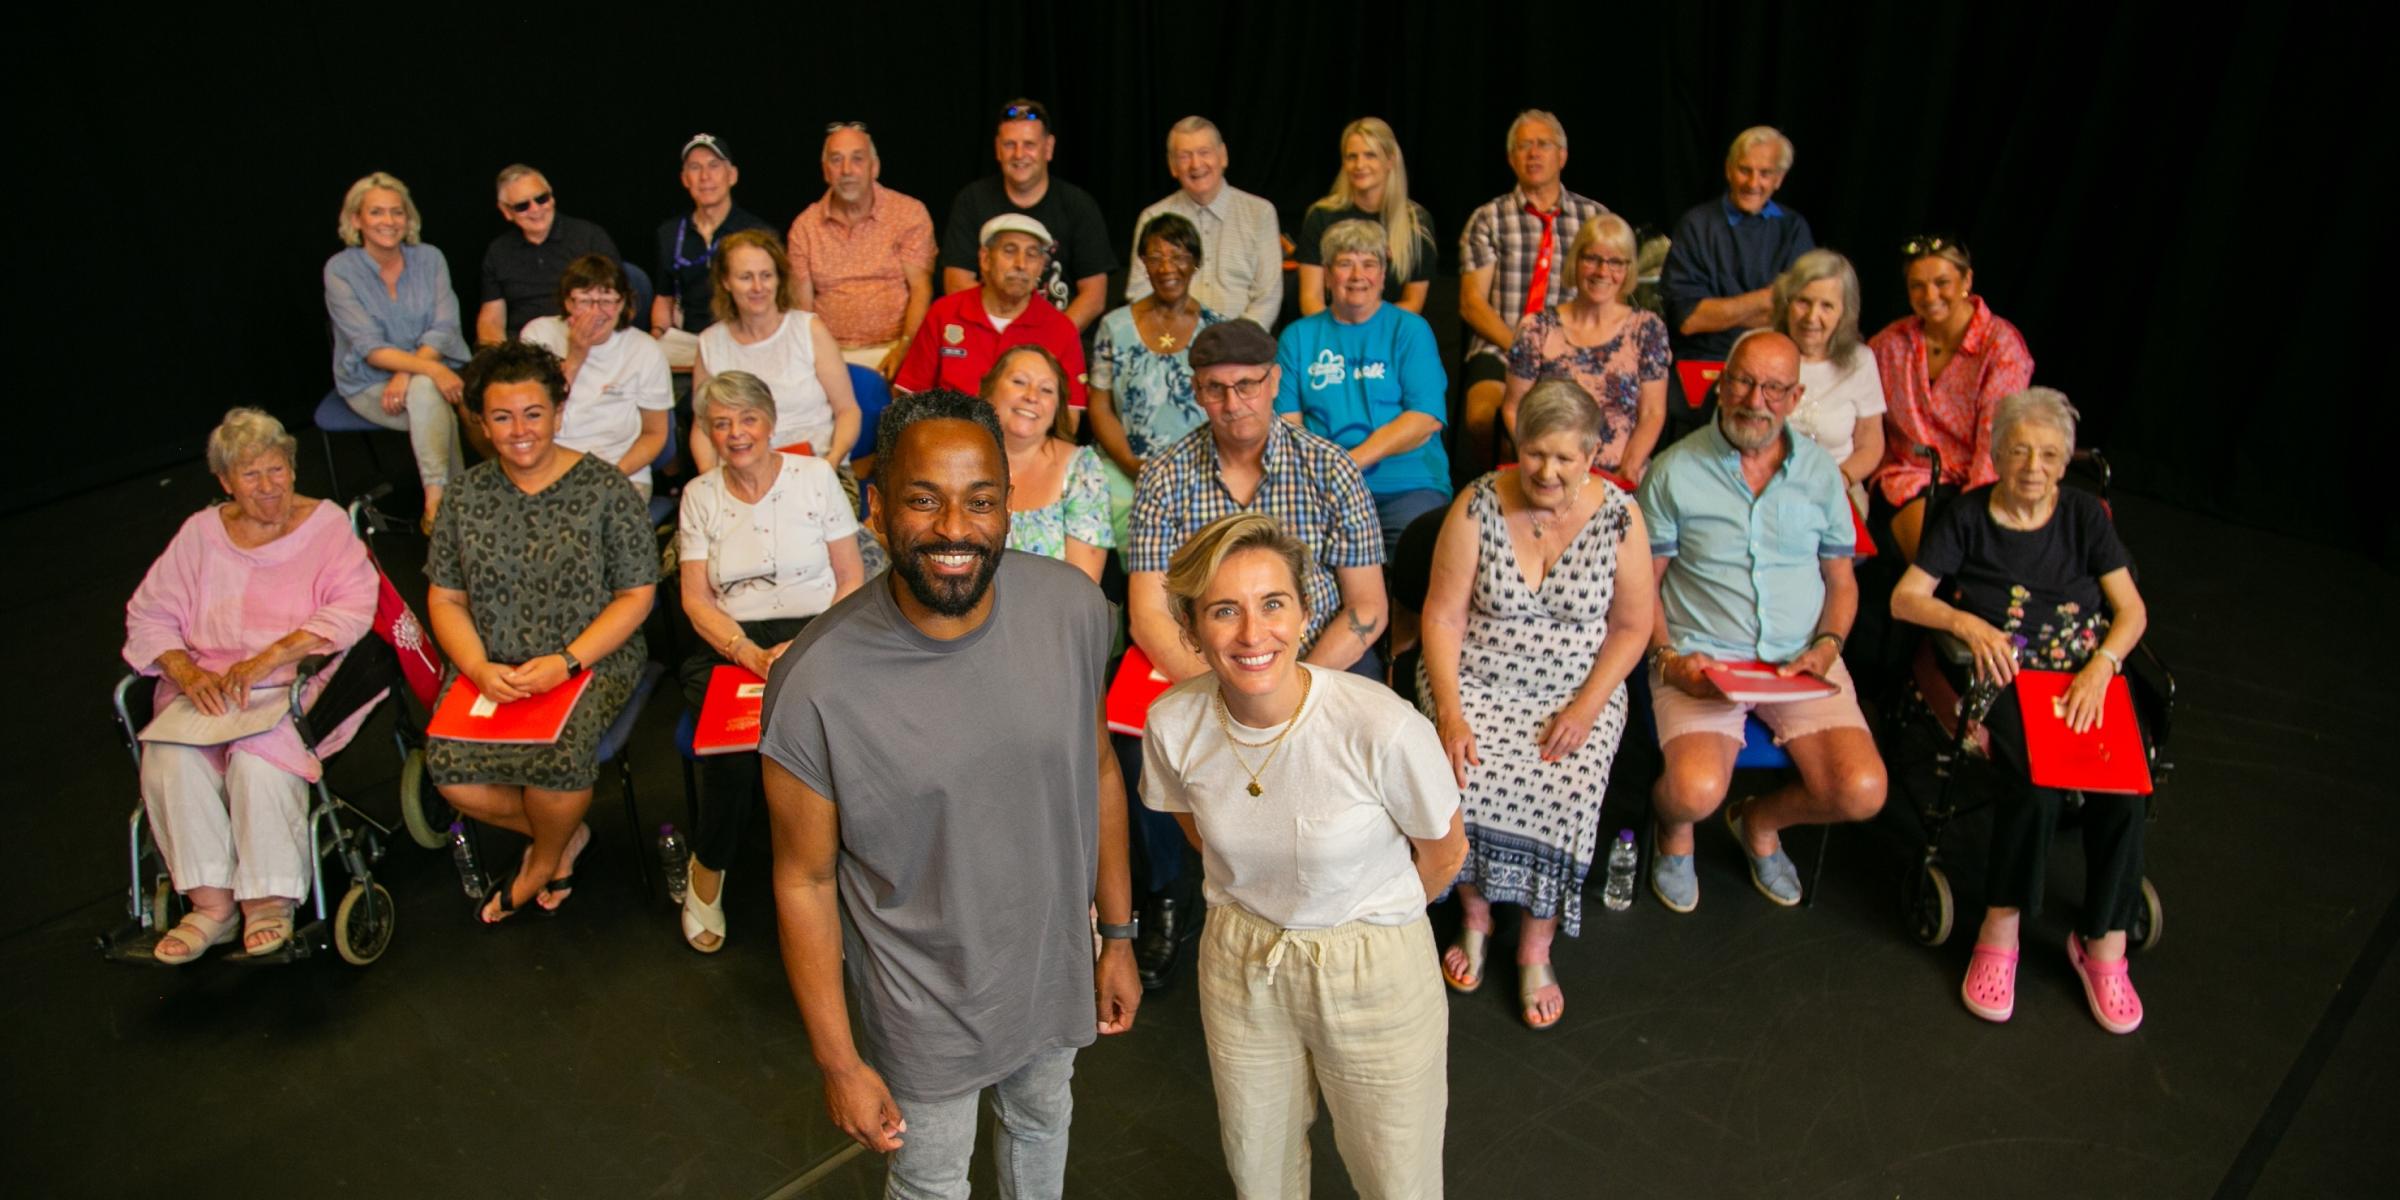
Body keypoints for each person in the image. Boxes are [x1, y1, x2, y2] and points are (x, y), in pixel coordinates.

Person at [757, 389, 1140, 1197]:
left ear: (1009, 505)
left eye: (981, 501)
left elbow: (1099, 768)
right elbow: (803, 879)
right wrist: (838, 1059)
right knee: (932, 1182)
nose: (956, 530)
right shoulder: (813, 683)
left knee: (1042, 1125)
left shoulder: (1073, 610)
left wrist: (1116, 933)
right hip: (921, 1002)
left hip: (1051, 966)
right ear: (875, 506)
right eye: (923, 500)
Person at [1143, 511, 1465, 1197]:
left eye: (1273, 604)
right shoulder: (1172, 723)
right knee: (1258, 1168)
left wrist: (1366, 917)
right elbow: (1200, 831)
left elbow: (1444, 852)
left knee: (1396, 1176)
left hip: (1373, 966)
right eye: (1224, 611)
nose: (1253, 634)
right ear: (1194, 629)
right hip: (1240, 963)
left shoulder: (1380, 725)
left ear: (1305, 611)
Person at [1889, 388, 2151, 1035]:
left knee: (2126, 788)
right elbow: (1904, 599)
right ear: (1997, 455)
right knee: (2034, 783)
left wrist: (2101, 666)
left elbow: (2132, 611)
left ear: (2065, 464)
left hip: (2085, 673)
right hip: (2007, 676)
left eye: (2050, 454)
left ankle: (2104, 944)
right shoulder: (1967, 517)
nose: (2034, 466)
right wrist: (1966, 623)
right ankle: (2000, 926)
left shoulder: (2086, 517)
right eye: (2020, 451)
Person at [1418, 381, 1654, 1029]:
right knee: (1463, 770)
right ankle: (1474, 913)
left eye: (1564, 458)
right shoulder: (1477, 505)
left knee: (1567, 782)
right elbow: (1441, 618)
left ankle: (1536, 943)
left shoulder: (1621, 518)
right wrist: (1450, 711)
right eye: (1534, 454)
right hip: (1475, 682)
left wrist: (1585, 707)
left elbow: (1633, 628)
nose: (1547, 471)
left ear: (1592, 454)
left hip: (1576, 691)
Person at [1636, 330, 1887, 911]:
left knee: (1863, 791)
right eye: (1744, 381)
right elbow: (1641, 586)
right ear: (1721, 386)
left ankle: (1759, 821)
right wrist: (1668, 660)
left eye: (1774, 388)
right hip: (1703, 657)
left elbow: (1841, 583)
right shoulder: (1674, 470)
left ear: (1795, 397)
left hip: (1800, 657)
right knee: (1692, 793)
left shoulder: (1822, 474)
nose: (1756, 399)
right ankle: (1676, 835)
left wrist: (1827, 646)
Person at [123, 408, 379, 962]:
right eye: (251, 476)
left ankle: (267, 900)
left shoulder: (327, 525)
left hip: (291, 683)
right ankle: (211, 904)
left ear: (292, 465)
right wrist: (188, 674)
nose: (268, 488)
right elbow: (149, 615)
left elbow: (354, 609)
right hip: (208, 686)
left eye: (277, 470)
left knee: (258, 757)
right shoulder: (200, 534)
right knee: (169, 755)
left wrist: (267, 660)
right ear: (225, 483)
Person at [425, 341, 657, 925]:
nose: (519, 430)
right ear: (481, 421)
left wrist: (568, 662)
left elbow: (637, 596)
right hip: (493, 662)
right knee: (451, 771)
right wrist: (477, 667)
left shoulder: (605, 490)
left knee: (559, 755)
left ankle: (541, 861)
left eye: (533, 413)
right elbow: (446, 597)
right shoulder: (464, 496)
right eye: (501, 417)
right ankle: (565, 836)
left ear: (558, 410)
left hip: (590, 657)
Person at [674, 370, 866, 953]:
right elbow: (694, 598)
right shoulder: (699, 496)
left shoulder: (815, 478)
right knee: (732, 751)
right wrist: (748, 653)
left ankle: (854, 871)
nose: (737, 434)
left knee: (845, 736)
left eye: (748, 419)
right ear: (707, 432)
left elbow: (851, 577)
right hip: (735, 642)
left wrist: (803, 649)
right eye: (722, 423)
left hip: (823, 630)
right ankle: (708, 868)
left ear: (771, 422)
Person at [1128, 321, 1388, 684]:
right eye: (1215, 389)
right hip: (1207, 665)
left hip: (1320, 659)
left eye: (1247, 385)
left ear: (1275, 381)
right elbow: (1148, 613)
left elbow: (1367, 605)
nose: (1233, 404)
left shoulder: (1331, 467)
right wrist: (1218, 696)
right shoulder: (1163, 476)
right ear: (1196, 392)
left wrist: (1294, 691)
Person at [1274, 219, 1451, 557]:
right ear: (1327, 274)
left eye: (1369, 264)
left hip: (1407, 486)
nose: (1358, 276)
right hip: (1322, 489)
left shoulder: (1411, 330)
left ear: (1384, 274)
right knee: (1294, 561)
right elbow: (1288, 426)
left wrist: (1348, 463)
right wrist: (1326, 479)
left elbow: (1424, 419)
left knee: (1419, 561)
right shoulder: (1297, 337)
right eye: (1345, 264)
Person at [1458, 110, 1611, 473]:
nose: (1533, 153)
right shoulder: (1488, 218)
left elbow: (1610, 295)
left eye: (1543, 144)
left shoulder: (1594, 218)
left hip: (1575, 346)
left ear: (1563, 155)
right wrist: (1526, 347)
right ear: (1512, 159)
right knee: (1482, 416)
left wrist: (1563, 349)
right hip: (1501, 346)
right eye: (1524, 146)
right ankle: (1504, 485)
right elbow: (1472, 304)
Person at [1869, 235, 2035, 560]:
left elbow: (1996, 436)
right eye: (1917, 286)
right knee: (1936, 557)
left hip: (1983, 481)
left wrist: (1977, 510)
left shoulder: (2001, 345)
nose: (1929, 296)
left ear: (1967, 280)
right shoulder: (1890, 343)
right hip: (1910, 476)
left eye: (1941, 282)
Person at [323, 171, 471, 532]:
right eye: (376, 212)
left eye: (397, 212)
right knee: (433, 399)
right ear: (356, 219)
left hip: (431, 374)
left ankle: (435, 504)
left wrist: (411, 372)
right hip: (370, 383)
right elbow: (370, 348)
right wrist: (430, 370)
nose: (388, 221)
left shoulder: (430, 258)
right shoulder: (340, 270)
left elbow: (445, 326)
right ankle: (459, 504)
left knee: (424, 392)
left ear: (408, 218)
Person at [1500, 213, 1670, 481]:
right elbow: (1514, 408)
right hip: (1549, 475)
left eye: (1615, 262)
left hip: (1620, 475)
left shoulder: (1648, 329)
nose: (1603, 272)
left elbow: (1652, 412)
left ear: (1628, 269)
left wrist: (1627, 471)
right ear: (1575, 261)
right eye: (1592, 259)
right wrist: (1538, 462)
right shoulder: (1536, 328)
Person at [689, 229, 861, 474]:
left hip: (815, 467)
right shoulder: (710, 342)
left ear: (779, 278)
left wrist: (831, 462)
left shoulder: (808, 329)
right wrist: (709, 478)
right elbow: (702, 426)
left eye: (766, 275)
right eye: (746, 277)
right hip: (740, 473)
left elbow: (848, 411)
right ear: (726, 282)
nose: (758, 287)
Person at [939, 99, 1115, 330]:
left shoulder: (1078, 205)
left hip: (1056, 341)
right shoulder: (972, 201)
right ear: (997, 149)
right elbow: (956, 282)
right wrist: (999, 336)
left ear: (1048, 148)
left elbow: (1094, 295)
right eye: (1010, 144)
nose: (1019, 154)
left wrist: (1052, 340)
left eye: (1029, 144)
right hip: (985, 335)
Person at [896, 214, 1090, 417]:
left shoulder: (1061, 328)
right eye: (1009, 251)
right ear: (985, 259)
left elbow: (1069, 418)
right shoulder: (944, 313)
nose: (1021, 264)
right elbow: (911, 398)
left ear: (1041, 266)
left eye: (1032, 255)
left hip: (1025, 445)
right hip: (951, 440)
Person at [787, 122, 937, 377]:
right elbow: (802, 308)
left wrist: (904, 349)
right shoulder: (805, 226)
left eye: (857, 159)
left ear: (874, 167)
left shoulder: (908, 213)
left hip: (893, 348)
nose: (847, 170)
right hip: (829, 352)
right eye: (837, 160)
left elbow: (921, 289)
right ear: (826, 171)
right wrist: (815, 362)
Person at [1659, 126, 1817, 364]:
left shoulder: (1793, 228)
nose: (1753, 183)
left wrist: (1720, 313)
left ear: (1779, 179)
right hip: (1705, 361)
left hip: (1773, 361)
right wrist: (1767, 297)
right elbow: (1689, 320)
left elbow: (1798, 317)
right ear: (1729, 170)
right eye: (1745, 170)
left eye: (1765, 173)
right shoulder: (1696, 226)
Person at [520, 255, 674, 499]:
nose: (596, 311)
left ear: (622, 303)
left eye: (606, 301)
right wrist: (575, 358)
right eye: (585, 300)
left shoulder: (644, 350)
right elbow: (533, 416)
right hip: (547, 469)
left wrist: (611, 477)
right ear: (568, 302)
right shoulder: (538, 334)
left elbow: (655, 434)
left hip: (621, 471)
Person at [1120, 116, 1282, 327]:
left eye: (1204, 153)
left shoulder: (1260, 213)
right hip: (1169, 345)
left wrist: (1234, 345)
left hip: (1241, 348)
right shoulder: (1153, 218)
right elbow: (1140, 293)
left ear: (1223, 156)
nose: (1196, 164)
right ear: (1172, 165)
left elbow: (1267, 298)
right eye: (1184, 156)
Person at [1770, 249, 1887, 512]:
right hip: (1761, 483)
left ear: (1843, 313)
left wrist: (1838, 480)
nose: (1812, 317)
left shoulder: (1861, 361)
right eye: (1803, 301)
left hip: (1834, 487)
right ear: (1786, 302)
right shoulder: (1758, 348)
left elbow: (1870, 445)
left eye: (1827, 306)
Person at [985, 346, 1112, 582]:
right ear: (989, 389)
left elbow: (1081, 586)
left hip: (1050, 616)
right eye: (1019, 382)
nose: (1032, 396)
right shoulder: (957, 460)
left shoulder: (1082, 471)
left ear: (1057, 407)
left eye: (1046, 390)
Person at [650, 134, 774, 370]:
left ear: (732, 175)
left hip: (741, 337)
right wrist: (657, 336)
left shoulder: (757, 233)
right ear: (685, 179)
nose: (705, 177)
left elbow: (773, 299)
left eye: (714, 166)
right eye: (695, 168)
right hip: (687, 341)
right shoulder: (669, 232)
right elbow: (664, 297)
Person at [1296, 116, 1438, 317]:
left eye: (1370, 155)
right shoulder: (1320, 216)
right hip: (1331, 336)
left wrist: (1367, 332)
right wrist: (1340, 336)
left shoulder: (1417, 222)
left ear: (1390, 161)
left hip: (1389, 335)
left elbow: (1413, 303)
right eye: (1351, 157)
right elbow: (1311, 300)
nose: (1359, 164)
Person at [477, 164, 620, 344]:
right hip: (524, 350)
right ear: (506, 211)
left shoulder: (590, 238)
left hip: (583, 338)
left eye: (541, 199)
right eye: (523, 206)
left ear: (552, 197)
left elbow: (616, 302)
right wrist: (499, 360)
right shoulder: (498, 251)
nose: (535, 209)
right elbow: (491, 319)